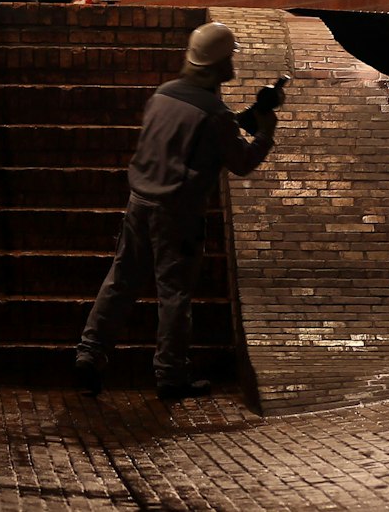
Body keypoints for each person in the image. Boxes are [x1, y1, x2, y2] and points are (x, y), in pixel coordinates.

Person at [74, 20, 285, 401]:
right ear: (220, 64)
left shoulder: (164, 95)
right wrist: (266, 129)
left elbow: (195, 131)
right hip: (179, 211)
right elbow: (240, 161)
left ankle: (90, 355)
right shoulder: (215, 114)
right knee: (174, 294)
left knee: (120, 281)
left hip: (139, 200)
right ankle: (171, 375)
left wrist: (244, 117)